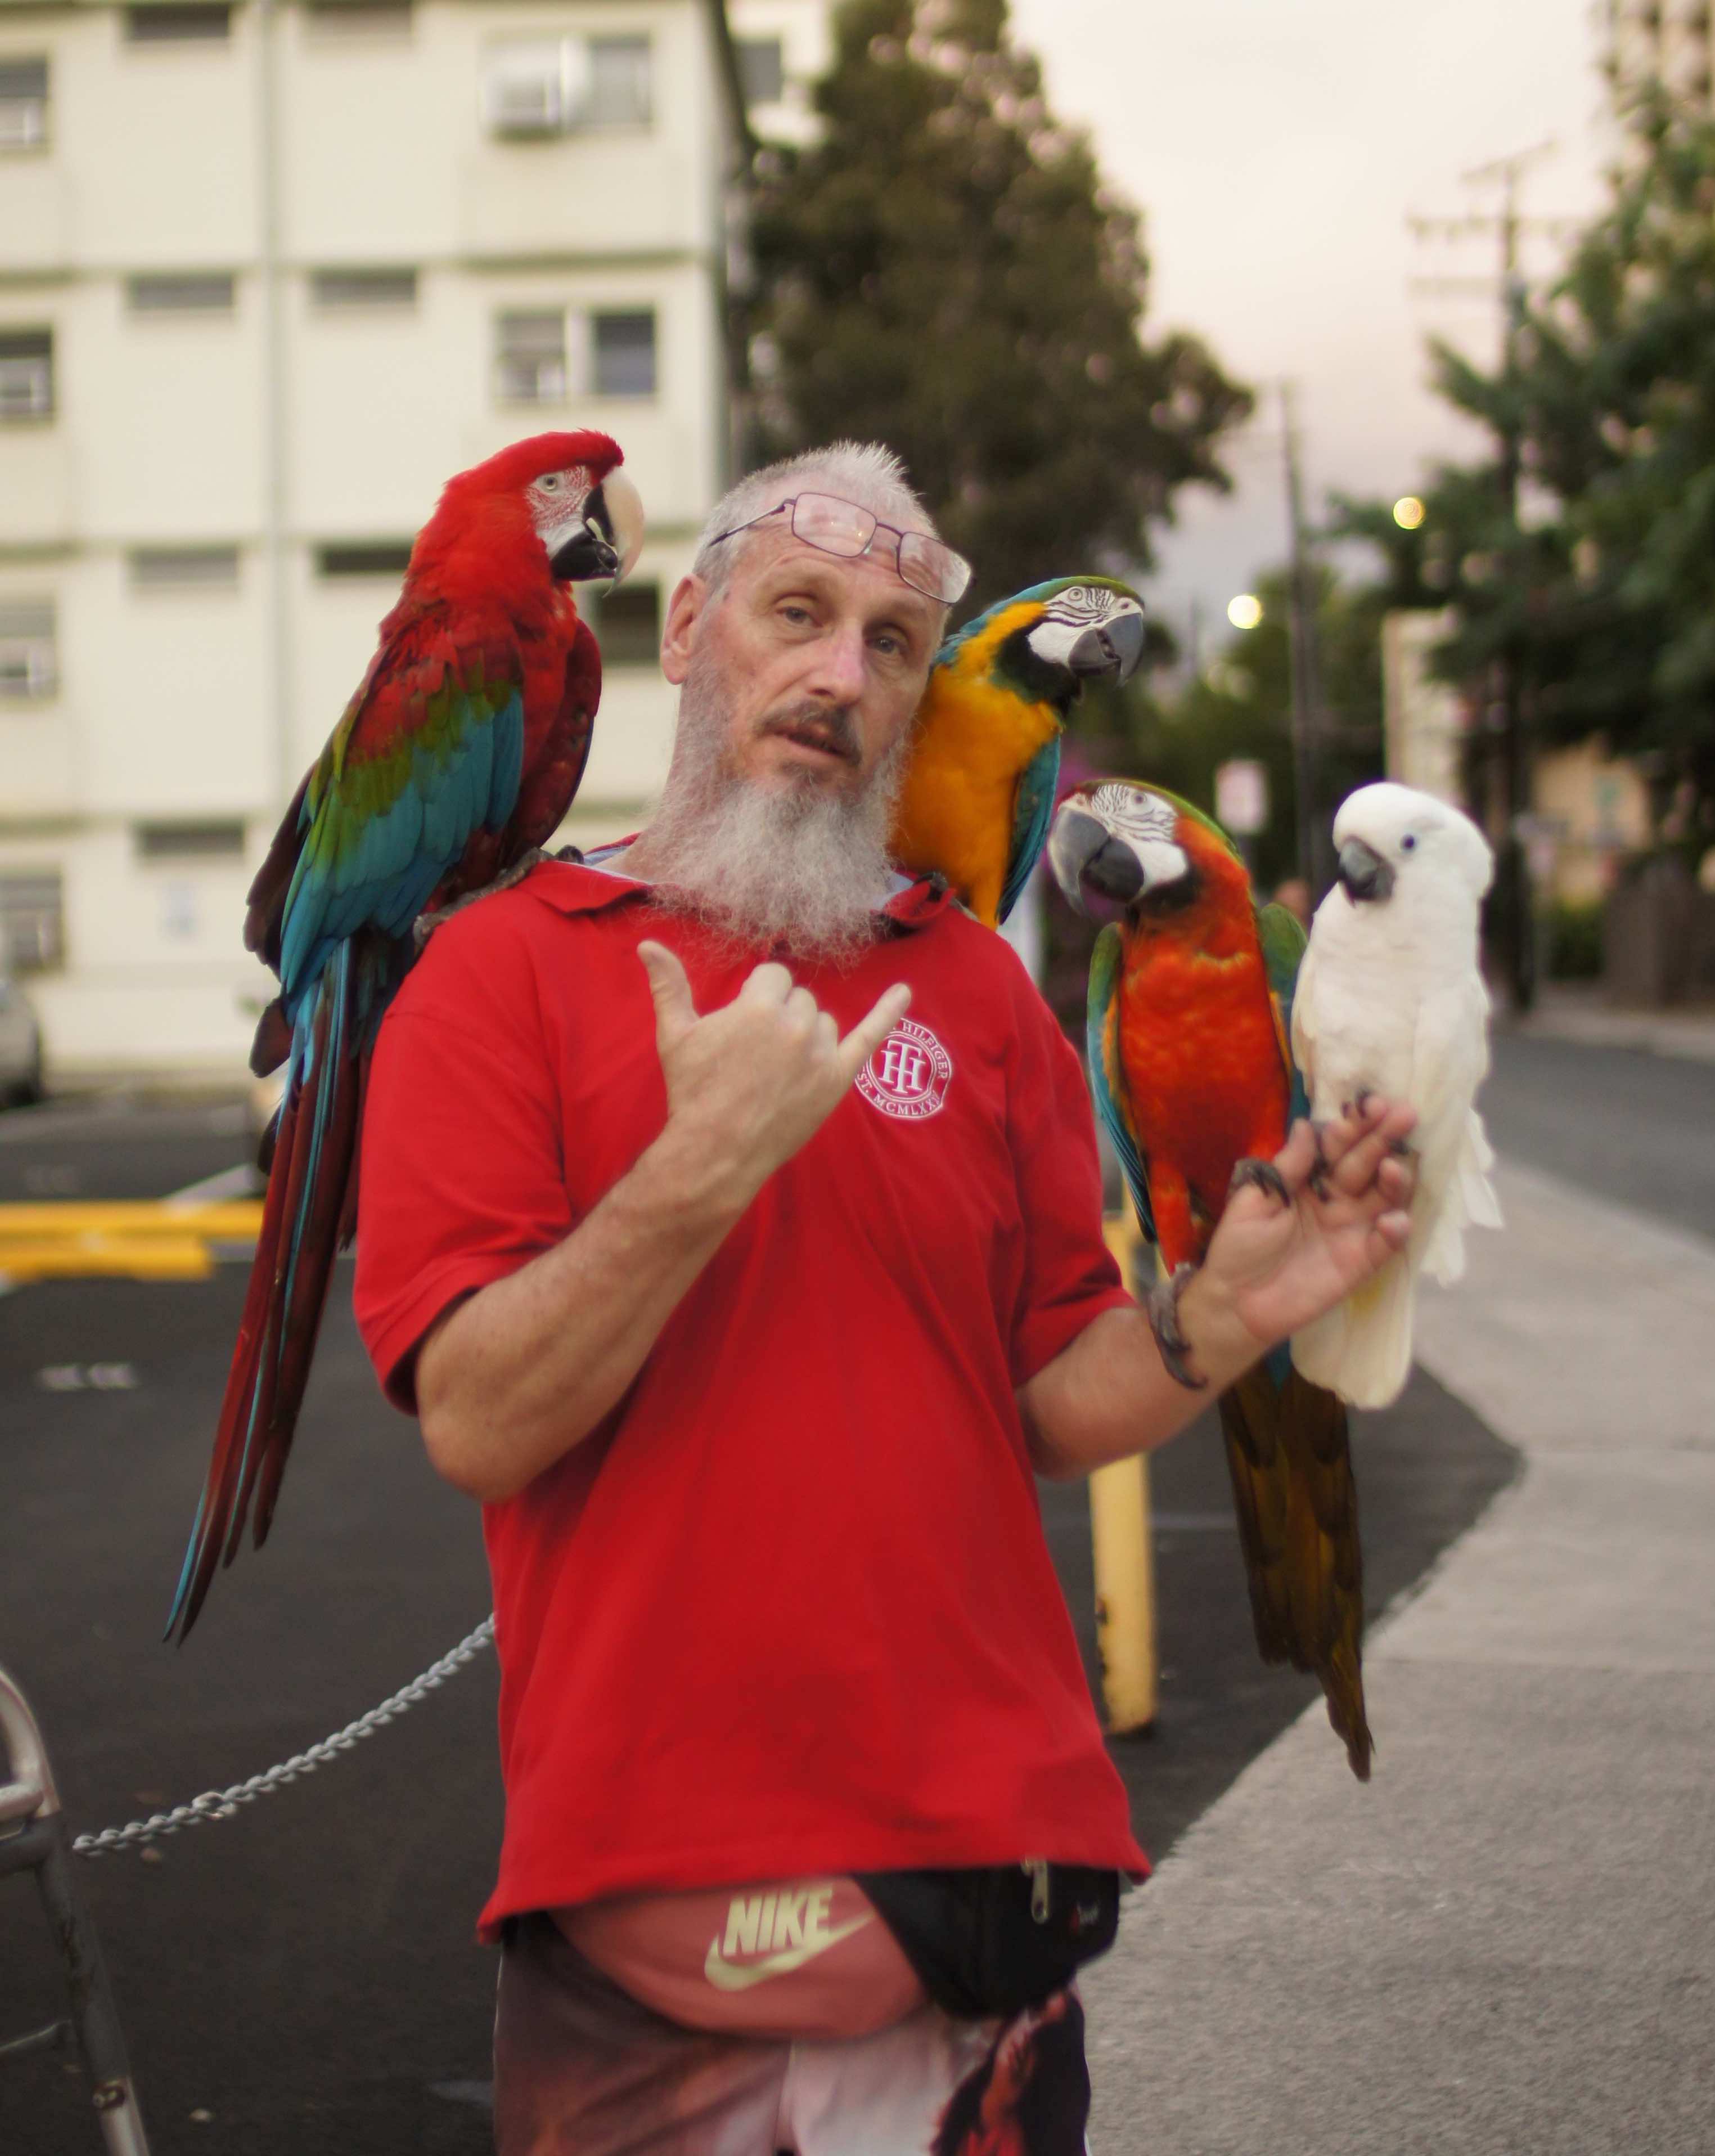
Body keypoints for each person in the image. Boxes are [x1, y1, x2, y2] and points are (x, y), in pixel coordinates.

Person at [352, 442, 1417, 2155]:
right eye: (798, 614)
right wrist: (696, 1175)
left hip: (990, 1878)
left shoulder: (978, 992)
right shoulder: (500, 969)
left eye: (894, 643)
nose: (843, 675)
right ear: (686, 629)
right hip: (648, 1894)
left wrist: (1216, 1319)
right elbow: (479, 1420)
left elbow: (1049, 1396)